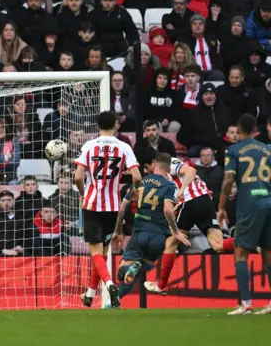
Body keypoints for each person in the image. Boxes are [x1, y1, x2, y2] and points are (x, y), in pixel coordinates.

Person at [74, 111, 142, 309]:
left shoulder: (89, 145)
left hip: (92, 204)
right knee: (102, 254)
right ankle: (89, 294)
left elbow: (78, 177)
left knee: (95, 252)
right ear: (115, 124)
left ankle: (110, 284)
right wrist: (136, 190)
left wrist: (81, 192)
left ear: (97, 125)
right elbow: (137, 176)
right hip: (113, 206)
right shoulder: (124, 147)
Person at [143, 152, 234, 295]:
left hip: (191, 200)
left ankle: (161, 285)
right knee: (218, 245)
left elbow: (191, 171)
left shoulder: (169, 162)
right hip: (204, 201)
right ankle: (249, 239)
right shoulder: (163, 179)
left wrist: (181, 190)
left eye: (148, 167)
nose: (149, 171)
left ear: (154, 163)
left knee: (171, 243)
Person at [111, 152, 190, 302]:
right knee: (143, 268)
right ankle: (114, 301)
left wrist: (118, 230)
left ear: (153, 164)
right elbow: (168, 210)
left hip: (139, 233)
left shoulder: (140, 182)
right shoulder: (170, 185)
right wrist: (176, 232)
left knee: (122, 271)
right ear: (168, 169)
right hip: (159, 237)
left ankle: (129, 270)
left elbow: (123, 207)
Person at [218, 114, 271, 315]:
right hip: (268, 201)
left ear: (238, 131)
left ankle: (246, 303)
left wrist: (222, 207)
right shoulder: (268, 149)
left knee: (240, 252)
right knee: (268, 253)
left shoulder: (233, 150)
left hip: (250, 204)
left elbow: (228, 180)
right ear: (256, 130)